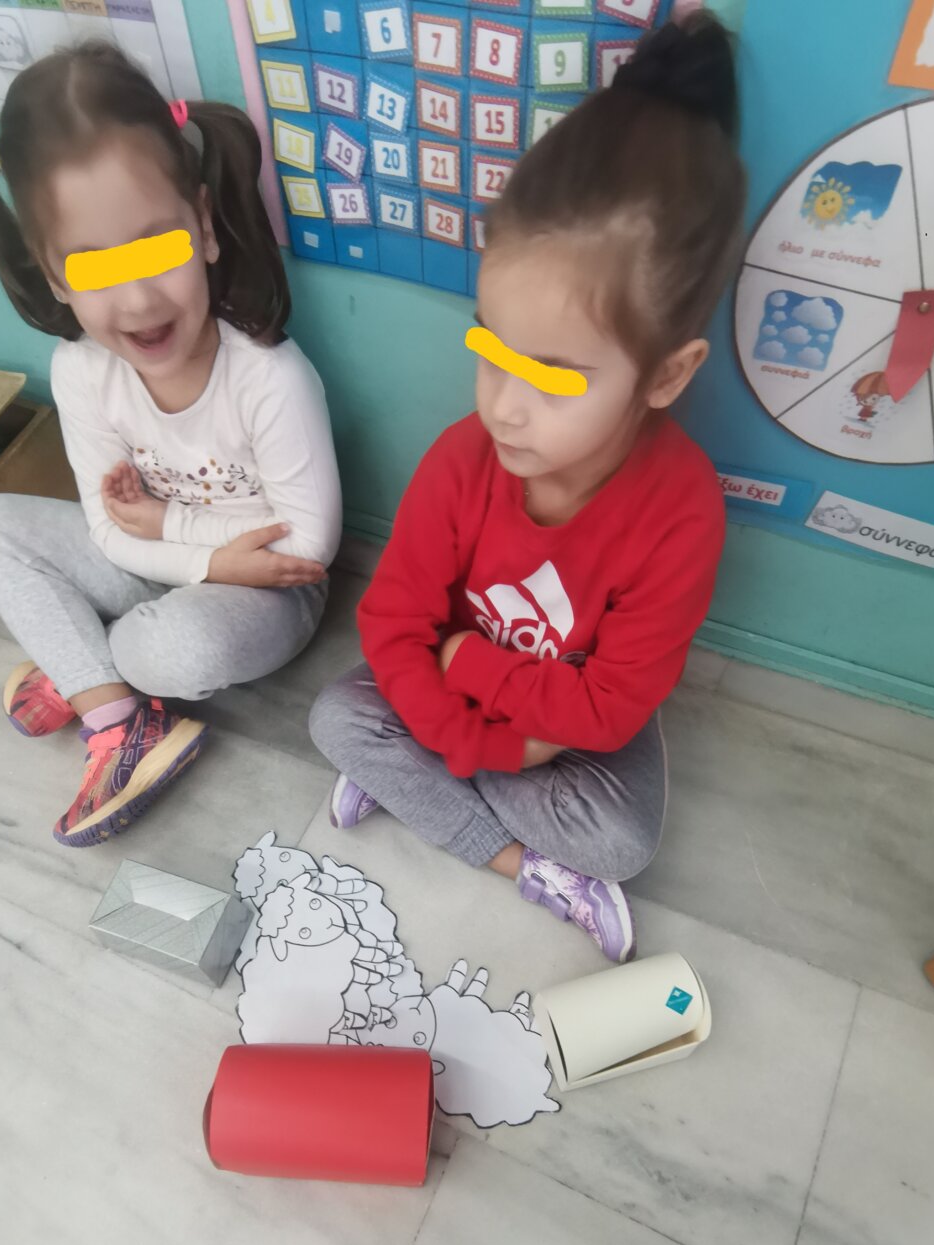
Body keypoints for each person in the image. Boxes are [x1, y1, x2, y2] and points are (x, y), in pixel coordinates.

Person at [309, 13, 744, 962]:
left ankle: (423, 791)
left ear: (665, 375)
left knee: (622, 840)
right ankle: (520, 861)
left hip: (565, 718)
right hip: (479, 706)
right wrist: (488, 743)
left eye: (552, 378)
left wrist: (470, 668)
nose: (504, 408)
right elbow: (393, 625)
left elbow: (608, 710)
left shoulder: (680, 512)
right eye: (491, 350)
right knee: (335, 716)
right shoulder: (462, 459)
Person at [0, 44, 340, 846]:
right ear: (54, 277)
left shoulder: (269, 377)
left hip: (269, 591)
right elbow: (106, 530)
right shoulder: (80, 369)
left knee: (162, 647)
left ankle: (89, 671)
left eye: (157, 250)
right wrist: (198, 554)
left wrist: (176, 531)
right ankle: (115, 717)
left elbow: (307, 549)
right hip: (163, 565)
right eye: (96, 270)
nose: (137, 301)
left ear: (203, 225)